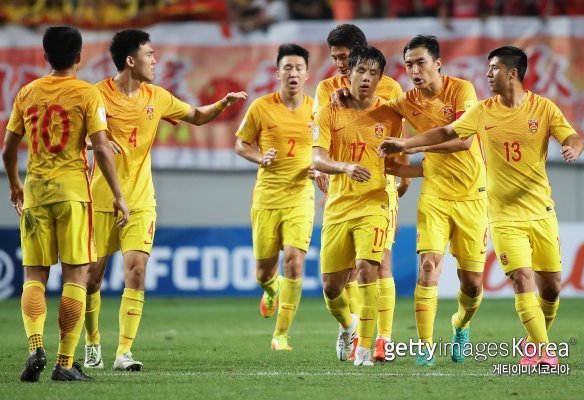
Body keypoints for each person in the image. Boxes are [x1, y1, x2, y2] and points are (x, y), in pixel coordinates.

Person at [379, 46, 584, 365]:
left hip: (530, 209)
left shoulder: (540, 108)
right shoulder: (479, 109)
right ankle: (537, 351)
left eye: (493, 69)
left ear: (512, 73)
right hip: (496, 213)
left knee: (547, 288)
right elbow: (447, 131)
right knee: (509, 277)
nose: (487, 74)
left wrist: (573, 148)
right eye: (408, 64)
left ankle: (482, 328)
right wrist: (405, 144)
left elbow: (571, 136)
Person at [83, 29, 247, 371]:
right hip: (99, 199)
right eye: (149, 54)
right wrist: (90, 143)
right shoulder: (96, 95)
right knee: (92, 280)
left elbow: (197, 116)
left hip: (141, 200)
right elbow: (74, 135)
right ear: (131, 60)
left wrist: (222, 104)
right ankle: (93, 343)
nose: (155, 60)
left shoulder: (157, 97)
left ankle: (123, 352)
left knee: (136, 271)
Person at [2, 26, 129, 382]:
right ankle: (64, 362)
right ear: (79, 57)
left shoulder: (27, 92)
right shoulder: (88, 94)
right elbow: (102, 147)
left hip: (37, 193)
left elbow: (8, 149)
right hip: (73, 194)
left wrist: (15, 185)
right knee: (75, 275)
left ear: (44, 57)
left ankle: (34, 345)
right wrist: (119, 195)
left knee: (34, 276)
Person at [384, 35, 487, 365]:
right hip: (435, 196)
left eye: (420, 62)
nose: (414, 70)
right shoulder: (405, 101)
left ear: (438, 62)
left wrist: (413, 146)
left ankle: (460, 324)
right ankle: (424, 347)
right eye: (408, 64)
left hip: (473, 195)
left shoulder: (461, 90)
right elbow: (375, 113)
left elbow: (464, 140)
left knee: (471, 283)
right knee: (428, 267)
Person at [313, 23, 409, 362]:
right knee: (336, 281)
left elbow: (401, 137)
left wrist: (407, 175)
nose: (338, 65)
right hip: (341, 190)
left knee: (377, 262)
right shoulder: (327, 91)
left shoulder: (392, 91)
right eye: (336, 60)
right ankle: (351, 328)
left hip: (379, 191)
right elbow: (320, 137)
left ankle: (380, 340)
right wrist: (325, 167)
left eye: (343, 58)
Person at [234, 43, 315, 351]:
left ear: (307, 74)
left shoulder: (316, 110)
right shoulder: (260, 107)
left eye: (298, 68)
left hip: (300, 196)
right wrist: (260, 158)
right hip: (267, 197)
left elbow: (327, 150)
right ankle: (271, 289)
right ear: (278, 71)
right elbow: (241, 145)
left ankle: (280, 335)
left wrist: (319, 170)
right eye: (288, 68)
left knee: (294, 262)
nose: (293, 73)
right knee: (263, 272)